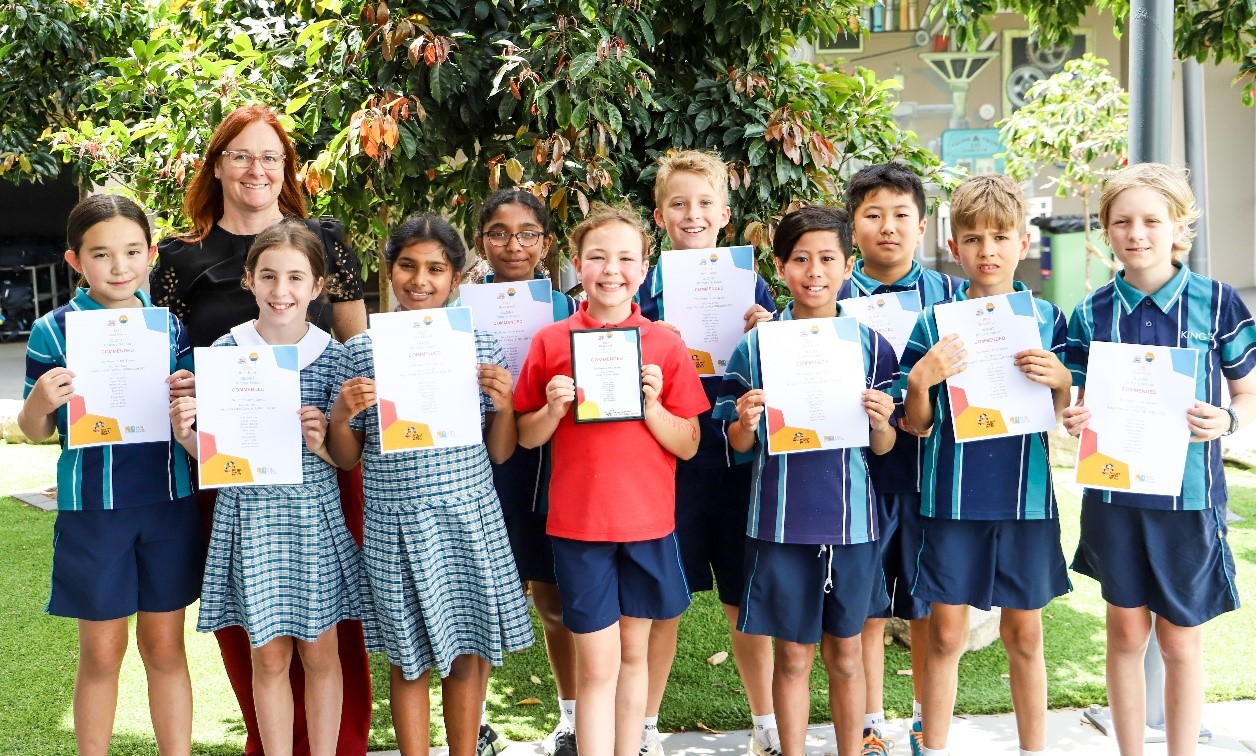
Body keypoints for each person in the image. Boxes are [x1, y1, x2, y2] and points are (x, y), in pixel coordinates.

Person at [148, 104, 371, 756]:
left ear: (287, 167)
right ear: (216, 164)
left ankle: (341, 746)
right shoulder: (178, 260)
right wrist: (182, 393)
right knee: (259, 640)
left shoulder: (324, 242)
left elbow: (355, 357)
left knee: (332, 638)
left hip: (323, 467)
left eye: (271, 156)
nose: (256, 168)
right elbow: (168, 360)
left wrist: (344, 429)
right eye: (241, 154)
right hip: (233, 479)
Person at [1060, 163, 1255, 756]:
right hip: (1114, 496)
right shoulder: (1091, 311)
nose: (1136, 233)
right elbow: (1071, 397)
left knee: (1179, 642)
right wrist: (1072, 413)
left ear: (1179, 228)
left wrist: (1229, 420)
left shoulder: (1217, 302)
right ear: (1106, 231)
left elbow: (1248, 390)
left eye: (1151, 220)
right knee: (1123, 631)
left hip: (1189, 502)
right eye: (1121, 222)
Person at [325, 214, 534, 756]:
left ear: (456, 277)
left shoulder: (480, 345)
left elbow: (501, 450)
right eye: (408, 266)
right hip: (396, 521)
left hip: (468, 515)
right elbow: (347, 460)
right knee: (408, 656)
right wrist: (343, 414)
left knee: (467, 652)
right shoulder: (362, 351)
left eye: (436, 269)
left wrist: (506, 405)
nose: (421, 280)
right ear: (389, 270)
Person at [513, 203, 709, 756]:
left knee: (633, 655)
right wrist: (552, 409)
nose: (611, 269)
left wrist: (652, 406)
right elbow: (527, 437)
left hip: (646, 523)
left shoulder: (665, 344)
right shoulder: (553, 341)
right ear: (577, 264)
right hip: (579, 525)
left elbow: (689, 443)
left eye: (625, 257)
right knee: (597, 666)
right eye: (597, 257)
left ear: (644, 268)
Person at [19, 194, 205, 755]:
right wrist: (39, 401)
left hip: (168, 502)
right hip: (93, 509)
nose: (119, 267)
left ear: (150, 254)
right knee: (101, 653)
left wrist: (188, 395)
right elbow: (34, 429)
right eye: (101, 254)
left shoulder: (168, 326)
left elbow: (193, 415)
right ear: (75, 260)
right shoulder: (52, 332)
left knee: (165, 648)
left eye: (131, 252)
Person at [713, 205, 898, 756]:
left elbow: (883, 448)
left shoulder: (870, 345)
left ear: (848, 267)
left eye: (827, 259)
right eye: (800, 259)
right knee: (793, 655)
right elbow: (737, 445)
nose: (814, 271)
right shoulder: (756, 347)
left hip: (853, 523)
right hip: (780, 521)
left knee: (845, 653)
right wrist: (744, 423)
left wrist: (882, 420)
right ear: (780, 265)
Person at [898, 175, 1072, 756]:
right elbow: (915, 424)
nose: (987, 251)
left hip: (1024, 496)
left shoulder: (1049, 321)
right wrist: (922, 379)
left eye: (1000, 237)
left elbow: (1065, 414)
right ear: (953, 245)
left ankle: (1033, 750)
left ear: (1025, 241)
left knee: (1024, 632)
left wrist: (1063, 382)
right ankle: (936, 747)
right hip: (950, 496)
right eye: (972, 239)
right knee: (945, 634)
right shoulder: (933, 323)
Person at [637, 149, 779, 756]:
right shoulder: (641, 286)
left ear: (724, 212)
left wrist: (768, 330)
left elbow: (789, 370)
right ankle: (642, 726)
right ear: (660, 213)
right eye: (678, 203)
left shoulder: (755, 285)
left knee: (744, 599)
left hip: (742, 462)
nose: (692, 214)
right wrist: (650, 337)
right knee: (663, 598)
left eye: (703, 203)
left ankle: (766, 723)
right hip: (668, 461)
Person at [839, 163, 963, 756]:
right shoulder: (831, 295)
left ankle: (921, 720)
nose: (888, 228)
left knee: (922, 602)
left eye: (901, 216)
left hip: (928, 474)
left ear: (922, 226)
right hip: (854, 477)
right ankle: (869, 724)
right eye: (873, 215)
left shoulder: (954, 297)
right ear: (853, 227)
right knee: (863, 607)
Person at [471, 189, 580, 756]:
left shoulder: (569, 309)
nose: (513, 245)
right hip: (482, 468)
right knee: (486, 595)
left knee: (555, 599)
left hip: (554, 465)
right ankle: (477, 724)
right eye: (498, 232)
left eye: (528, 233)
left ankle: (570, 720)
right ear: (480, 240)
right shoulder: (457, 310)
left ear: (546, 242)